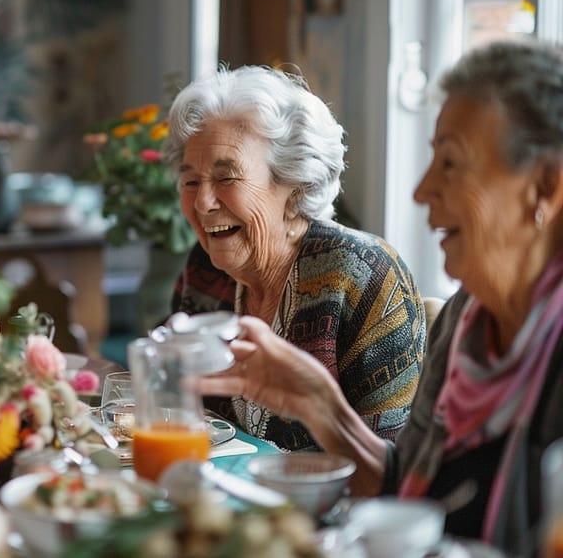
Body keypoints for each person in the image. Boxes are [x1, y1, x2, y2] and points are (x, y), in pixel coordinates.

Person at [203, 40, 563, 553]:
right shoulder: (467, 319)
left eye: (452, 164)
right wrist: (319, 405)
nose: (421, 190)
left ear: (545, 188)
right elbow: (408, 492)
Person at [163, 65, 425, 451]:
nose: (203, 201)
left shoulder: (362, 277)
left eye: (227, 178)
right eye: (190, 181)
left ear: (294, 186)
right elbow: (169, 403)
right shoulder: (204, 272)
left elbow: (390, 468)